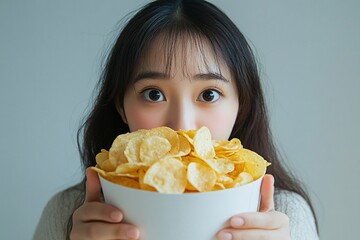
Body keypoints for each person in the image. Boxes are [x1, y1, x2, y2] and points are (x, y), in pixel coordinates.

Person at [33, 0, 319, 239]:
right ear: (120, 105)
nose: (182, 126)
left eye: (208, 95)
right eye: (154, 94)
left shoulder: (287, 217)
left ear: (241, 106)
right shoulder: (66, 215)